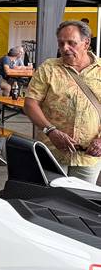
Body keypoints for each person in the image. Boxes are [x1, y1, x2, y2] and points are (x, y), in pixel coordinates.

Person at [25, 20, 101, 184]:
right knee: (50, 200)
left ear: (86, 43)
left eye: (71, 43)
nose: (65, 48)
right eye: (61, 43)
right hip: (52, 152)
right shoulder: (49, 68)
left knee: (82, 203)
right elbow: (30, 103)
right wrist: (51, 131)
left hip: (88, 157)